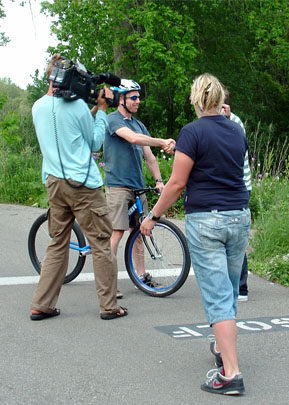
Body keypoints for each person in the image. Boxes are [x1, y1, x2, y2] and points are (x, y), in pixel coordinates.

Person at [140, 73, 250, 395]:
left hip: (207, 221)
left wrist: (153, 216)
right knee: (228, 290)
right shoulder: (236, 131)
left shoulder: (192, 133)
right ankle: (221, 346)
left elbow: (176, 183)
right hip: (239, 217)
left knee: (217, 296)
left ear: (196, 99)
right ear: (219, 98)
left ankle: (231, 374)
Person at [30, 54, 127, 321]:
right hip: (83, 185)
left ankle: (42, 304)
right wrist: (102, 109)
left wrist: (91, 110)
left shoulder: (38, 107)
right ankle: (109, 306)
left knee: (58, 243)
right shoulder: (77, 109)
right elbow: (94, 141)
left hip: (54, 182)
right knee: (101, 243)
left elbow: (69, 132)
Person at [103, 79, 175, 297]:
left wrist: (159, 180)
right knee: (116, 233)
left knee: (140, 232)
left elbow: (149, 157)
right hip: (118, 186)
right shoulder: (113, 120)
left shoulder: (139, 124)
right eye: (133, 97)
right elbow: (133, 140)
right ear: (122, 100)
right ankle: (108, 283)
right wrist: (162, 140)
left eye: (138, 97)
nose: (138, 101)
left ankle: (141, 276)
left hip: (137, 188)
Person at [221, 89, 251, 302]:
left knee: (235, 236)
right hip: (227, 186)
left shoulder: (235, 122)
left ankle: (241, 286)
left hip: (239, 185)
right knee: (227, 234)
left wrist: (229, 118)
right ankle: (230, 283)